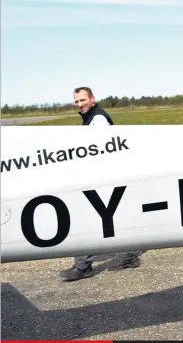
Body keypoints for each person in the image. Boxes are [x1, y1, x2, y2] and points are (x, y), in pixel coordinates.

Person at [59, 86, 141, 282]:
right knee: (112, 219)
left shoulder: (99, 119)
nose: (79, 105)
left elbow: (100, 152)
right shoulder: (90, 118)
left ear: (92, 99)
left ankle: (83, 266)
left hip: (102, 179)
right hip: (104, 178)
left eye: (82, 100)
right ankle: (129, 256)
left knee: (88, 221)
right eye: (76, 102)